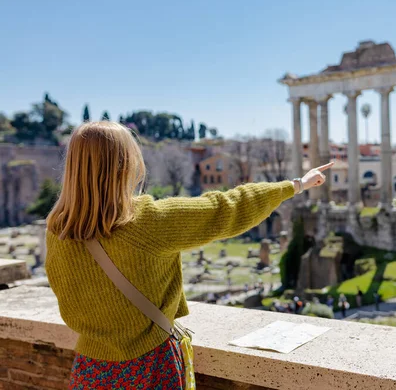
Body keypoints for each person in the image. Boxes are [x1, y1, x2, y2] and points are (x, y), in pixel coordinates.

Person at [45, 121, 333, 389]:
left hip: (90, 370)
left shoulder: (57, 230)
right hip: (149, 367)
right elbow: (227, 208)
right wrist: (297, 184)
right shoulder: (147, 222)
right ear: (125, 167)